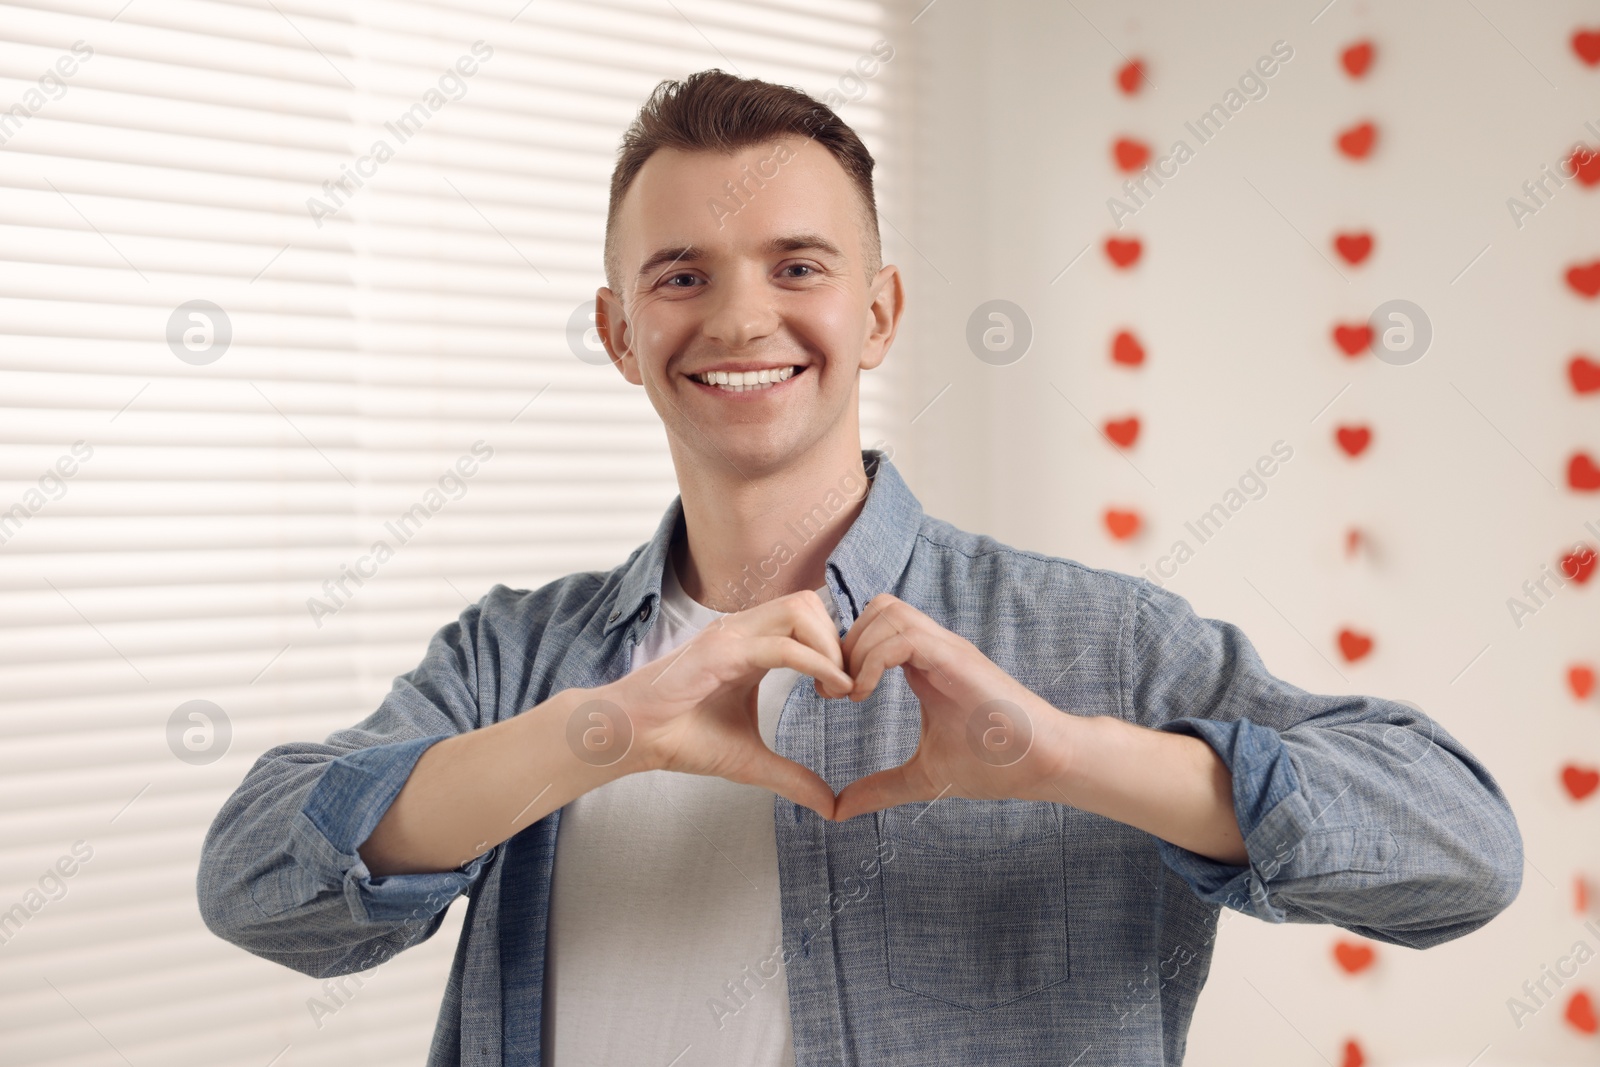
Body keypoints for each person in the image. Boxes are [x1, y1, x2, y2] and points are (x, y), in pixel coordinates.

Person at [198, 69, 1523, 1067]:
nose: (737, 317)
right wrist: (600, 732)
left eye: (799, 266)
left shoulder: (1093, 640)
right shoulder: (515, 661)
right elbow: (261, 886)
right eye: (679, 275)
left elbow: (1463, 852)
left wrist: (1068, 758)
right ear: (617, 333)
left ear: (877, 311)